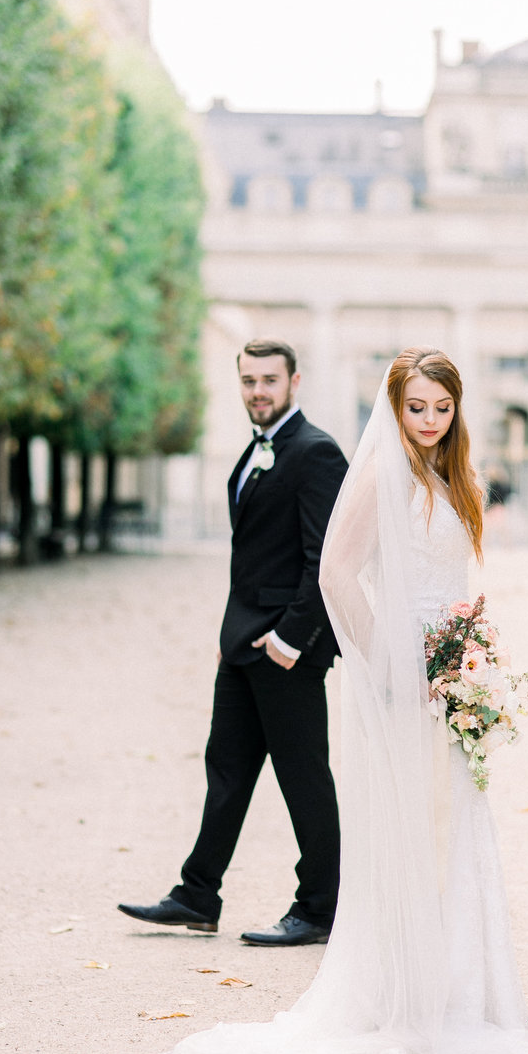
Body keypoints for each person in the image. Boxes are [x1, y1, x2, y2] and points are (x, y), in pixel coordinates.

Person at [161, 348, 528, 1054]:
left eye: (442, 409)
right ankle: (406, 997)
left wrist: (469, 658)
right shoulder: (383, 474)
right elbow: (337, 573)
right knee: (411, 827)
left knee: (455, 826)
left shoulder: (450, 474)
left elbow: (449, 582)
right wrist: (386, 664)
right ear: (396, 405)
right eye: (417, 408)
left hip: (453, 671)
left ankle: (457, 991)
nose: (430, 421)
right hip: (408, 676)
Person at [118, 339, 347, 946]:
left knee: (303, 777)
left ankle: (321, 907)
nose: (258, 391)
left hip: (286, 652)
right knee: (226, 771)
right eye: (248, 380)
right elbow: (252, 557)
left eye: (269, 380)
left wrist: (289, 639)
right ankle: (198, 895)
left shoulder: (317, 452)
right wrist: (232, 636)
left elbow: (327, 561)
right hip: (242, 645)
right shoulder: (255, 450)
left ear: (295, 381)